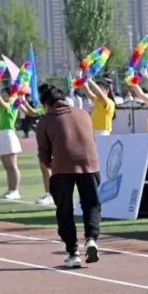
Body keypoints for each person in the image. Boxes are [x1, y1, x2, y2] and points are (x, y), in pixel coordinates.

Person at [35, 83, 101, 268]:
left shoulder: (45, 121)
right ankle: (91, 238)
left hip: (62, 167)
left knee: (64, 209)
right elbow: (92, 139)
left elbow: (43, 155)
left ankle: (73, 252)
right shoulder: (83, 113)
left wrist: (51, 164)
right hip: (90, 164)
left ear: (46, 104)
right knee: (91, 204)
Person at [0, 86, 30, 200]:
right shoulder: (1, 106)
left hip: (9, 136)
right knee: (6, 166)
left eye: (5, 94)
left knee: (12, 166)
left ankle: (15, 190)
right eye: (2, 94)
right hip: (1, 135)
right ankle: (10, 189)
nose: (3, 96)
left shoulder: (13, 104)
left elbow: (3, 103)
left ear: (10, 96)